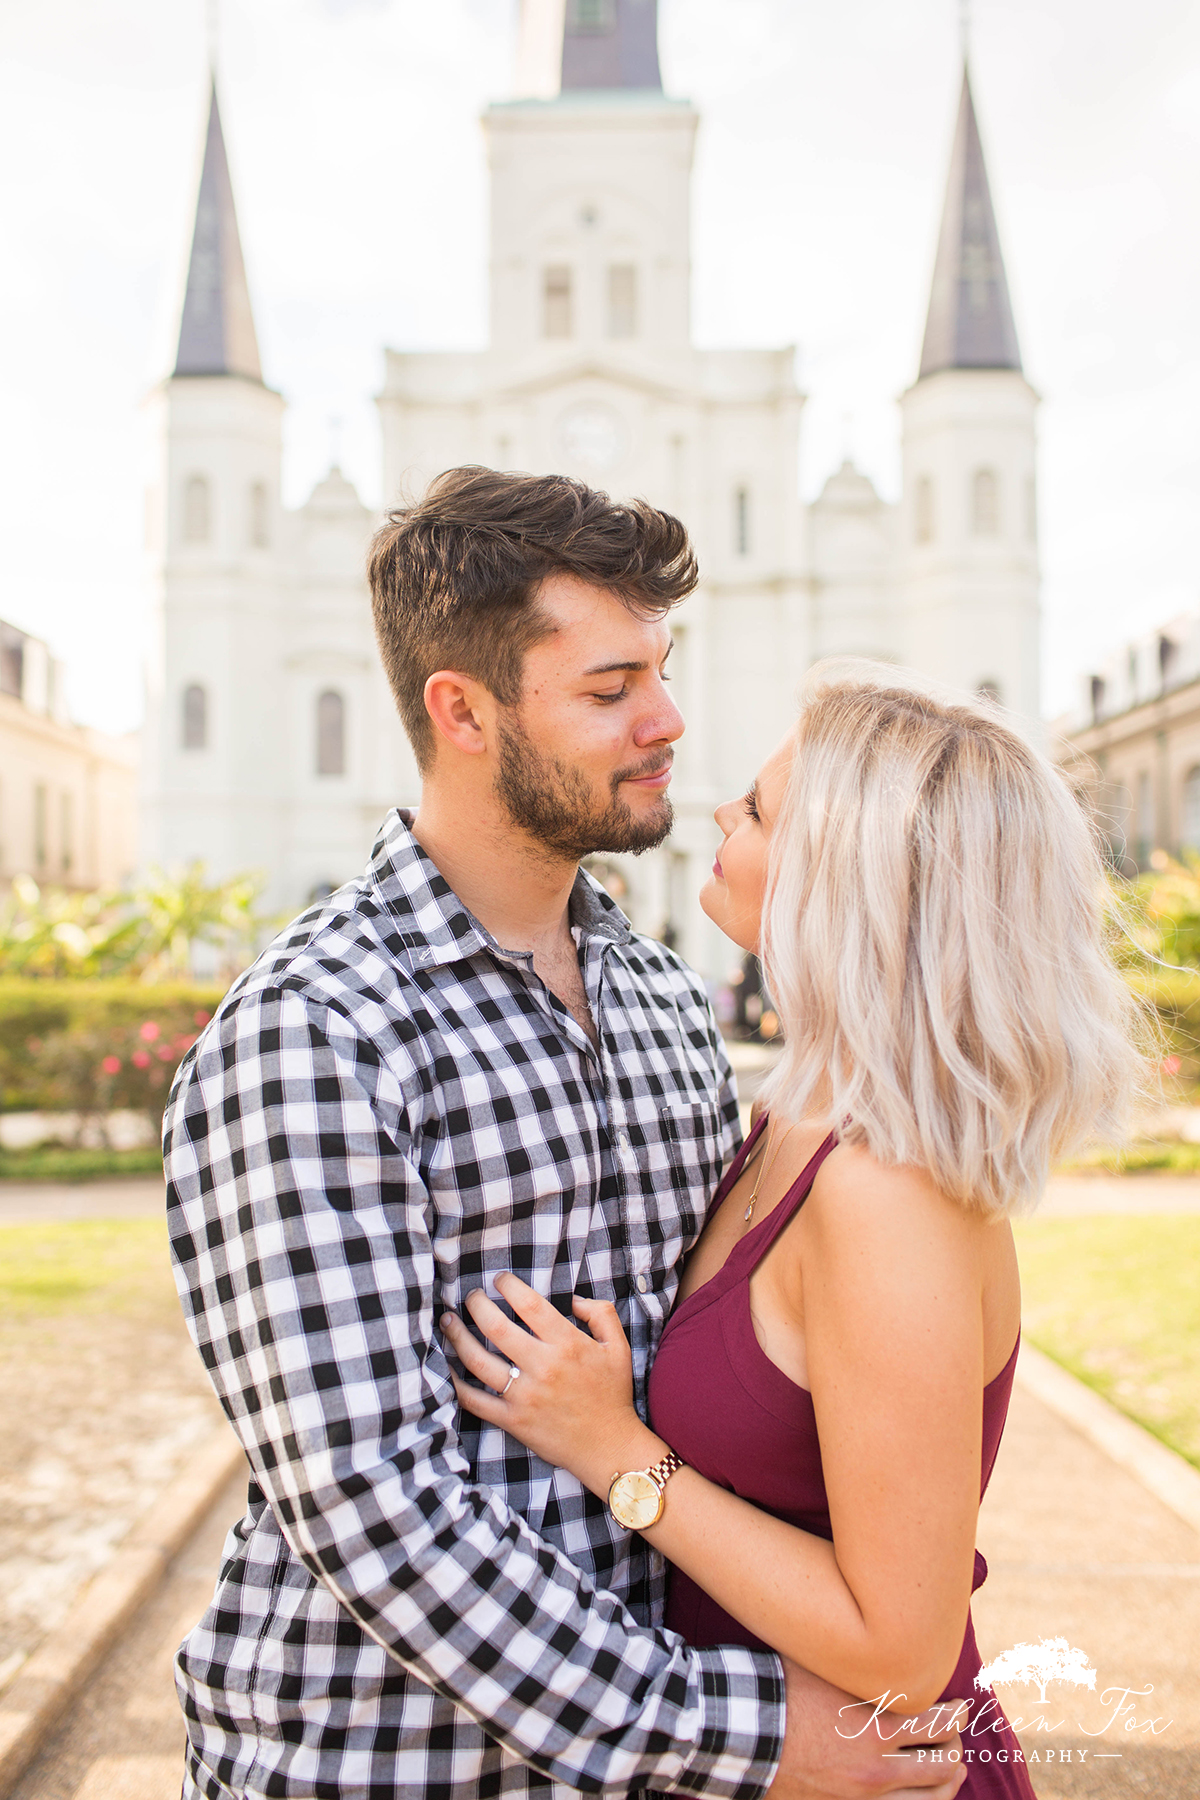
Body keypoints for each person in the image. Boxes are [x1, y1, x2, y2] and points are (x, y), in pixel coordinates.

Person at [164, 471, 966, 1800]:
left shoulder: (663, 1005)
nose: (667, 721)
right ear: (463, 711)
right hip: (386, 1766)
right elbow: (376, 1511)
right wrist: (753, 1736)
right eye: (609, 691)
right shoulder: (317, 1031)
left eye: (660, 669)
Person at [443, 661, 1144, 1798]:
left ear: (845, 882)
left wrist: (616, 1451)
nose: (722, 810)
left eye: (761, 810)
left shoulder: (888, 1194)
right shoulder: (792, 1115)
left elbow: (903, 1652)